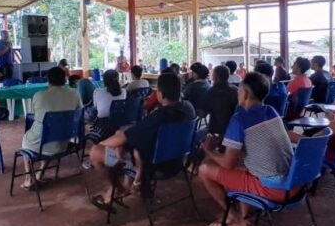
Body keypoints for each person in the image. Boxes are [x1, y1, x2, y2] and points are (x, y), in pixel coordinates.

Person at [198, 72, 301, 226]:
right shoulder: (272, 111)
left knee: (205, 169)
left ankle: (235, 218)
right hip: (295, 182)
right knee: (242, 167)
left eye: (239, 90)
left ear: (245, 94)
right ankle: (242, 218)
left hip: (273, 189)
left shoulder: (239, 119)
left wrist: (208, 151)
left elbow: (227, 163)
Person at [89, 72, 196, 210]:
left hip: (152, 166)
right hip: (177, 161)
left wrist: (100, 144)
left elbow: (124, 137)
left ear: (161, 94)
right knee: (129, 146)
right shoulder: (188, 108)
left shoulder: (159, 116)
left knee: (96, 153)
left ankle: (116, 189)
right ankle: (123, 187)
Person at [20, 66, 82, 188]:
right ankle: (40, 173)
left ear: (48, 80)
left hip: (43, 143)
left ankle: (29, 179)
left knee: (27, 138)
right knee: (49, 132)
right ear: (65, 79)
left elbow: (37, 115)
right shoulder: (74, 94)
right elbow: (79, 114)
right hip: (63, 143)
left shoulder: (40, 95)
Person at [86, 70, 127, 145]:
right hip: (119, 124)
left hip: (102, 127)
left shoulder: (97, 91)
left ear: (104, 80)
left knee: (87, 114)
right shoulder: (124, 91)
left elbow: (96, 107)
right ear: (118, 79)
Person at [201, 65, 239, 139]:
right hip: (233, 128)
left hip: (215, 129)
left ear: (215, 76)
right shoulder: (235, 90)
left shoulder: (211, 91)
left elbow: (204, 111)